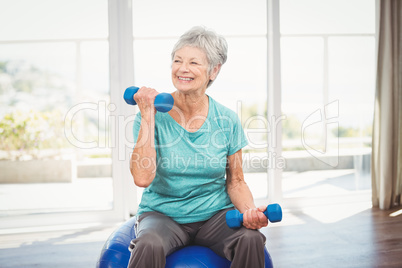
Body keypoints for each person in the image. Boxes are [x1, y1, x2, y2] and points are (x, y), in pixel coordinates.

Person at [128, 26, 268, 268]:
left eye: (194, 63)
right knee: (148, 242)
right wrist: (148, 115)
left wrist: (249, 212)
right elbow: (142, 178)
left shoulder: (227, 119)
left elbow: (236, 181)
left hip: (214, 216)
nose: (183, 68)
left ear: (214, 70)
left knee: (250, 237)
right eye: (177, 60)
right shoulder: (150, 114)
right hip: (163, 215)